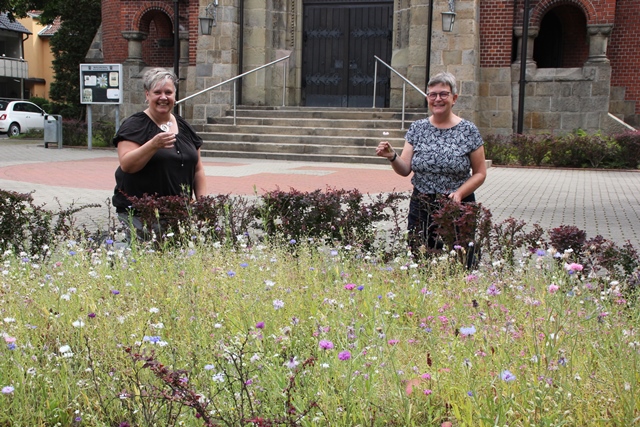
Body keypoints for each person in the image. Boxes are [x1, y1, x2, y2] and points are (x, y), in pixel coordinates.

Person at [375, 71, 486, 266]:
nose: (437, 99)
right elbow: (405, 169)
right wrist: (392, 156)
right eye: (432, 94)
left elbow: (480, 173)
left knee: (461, 261)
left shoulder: (468, 130)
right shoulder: (417, 129)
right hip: (422, 204)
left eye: (443, 94)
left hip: (457, 205)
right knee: (421, 258)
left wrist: (459, 194)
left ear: (454, 98)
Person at [112, 68, 207, 240]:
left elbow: (198, 169)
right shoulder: (134, 126)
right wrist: (153, 145)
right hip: (141, 214)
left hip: (177, 214)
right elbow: (127, 165)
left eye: (168, 92)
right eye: (157, 92)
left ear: (175, 96)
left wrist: (202, 205)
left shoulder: (184, 127)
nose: (163, 97)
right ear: (147, 95)